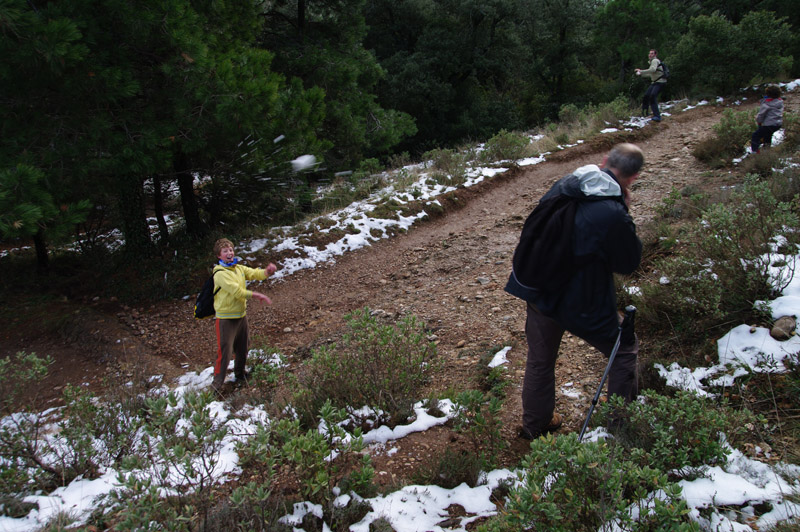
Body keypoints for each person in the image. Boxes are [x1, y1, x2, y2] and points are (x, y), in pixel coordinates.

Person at [505, 143, 644, 440]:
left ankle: (535, 425)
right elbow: (628, 263)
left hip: (541, 290)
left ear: (605, 160)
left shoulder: (566, 185)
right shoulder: (612, 212)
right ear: (633, 177)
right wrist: (624, 213)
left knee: (540, 360)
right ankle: (619, 429)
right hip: (583, 300)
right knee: (624, 352)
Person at [211, 238, 277, 394]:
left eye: (231, 250)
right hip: (226, 319)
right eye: (225, 251)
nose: (229, 253)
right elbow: (236, 291)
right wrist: (256, 295)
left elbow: (254, 273)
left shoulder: (238, 268)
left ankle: (240, 375)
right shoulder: (220, 273)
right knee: (225, 352)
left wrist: (266, 272)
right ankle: (216, 386)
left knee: (243, 346)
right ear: (219, 256)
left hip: (241, 315)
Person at [635, 49, 667, 122]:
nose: (650, 55)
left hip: (660, 82)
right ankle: (645, 112)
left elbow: (652, 70)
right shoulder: (652, 62)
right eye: (649, 53)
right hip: (655, 82)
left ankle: (657, 116)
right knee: (646, 95)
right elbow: (651, 74)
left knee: (652, 96)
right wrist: (641, 74)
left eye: (652, 53)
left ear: (655, 55)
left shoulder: (655, 61)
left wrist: (641, 71)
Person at [751, 85, 783, 154]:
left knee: (755, 136)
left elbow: (761, 115)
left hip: (768, 124)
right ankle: (766, 152)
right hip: (777, 124)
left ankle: (755, 153)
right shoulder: (779, 101)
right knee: (767, 136)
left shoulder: (767, 103)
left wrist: (757, 120)